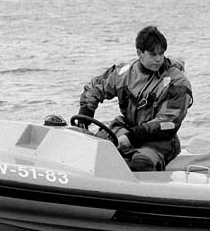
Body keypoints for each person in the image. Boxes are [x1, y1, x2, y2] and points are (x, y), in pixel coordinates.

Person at [78, 25, 193, 171]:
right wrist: (85, 112)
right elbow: (95, 87)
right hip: (125, 128)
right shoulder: (125, 73)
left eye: (161, 54)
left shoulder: (177, 82)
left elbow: (168, 122)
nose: (158, 59)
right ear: (140, 53)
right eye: (153, 55)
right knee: (91, 153)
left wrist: (131, 138)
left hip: (159, 140)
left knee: (140, 165)